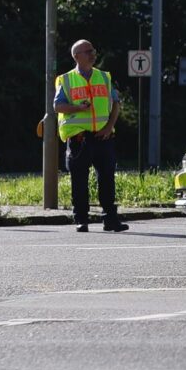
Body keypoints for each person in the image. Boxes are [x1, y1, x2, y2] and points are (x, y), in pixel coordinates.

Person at [54, 38, 127, 233]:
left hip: (103, 137)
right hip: (79, 139)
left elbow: (116, 104)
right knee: (79, 182)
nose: (93, 54)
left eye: (93, 50)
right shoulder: (66, 79)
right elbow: (58, 106)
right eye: (88, 51)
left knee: (107, 180)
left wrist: (108, 127)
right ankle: (81, 220)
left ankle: (111, 220)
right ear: (77, 56)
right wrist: (78, 108)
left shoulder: (104, 77)